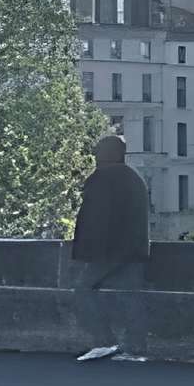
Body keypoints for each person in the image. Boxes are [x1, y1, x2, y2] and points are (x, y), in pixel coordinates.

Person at [69, 131, 152, 363]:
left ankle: (103, 341)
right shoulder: (134, 177)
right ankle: (136, 349)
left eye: (99, 152)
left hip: (110, 249)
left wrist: (87, 251)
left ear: (107, 154)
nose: (96, 157)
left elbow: (96, 218)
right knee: (131, 297)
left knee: (83, 289)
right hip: (134, 249)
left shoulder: (103, 178)